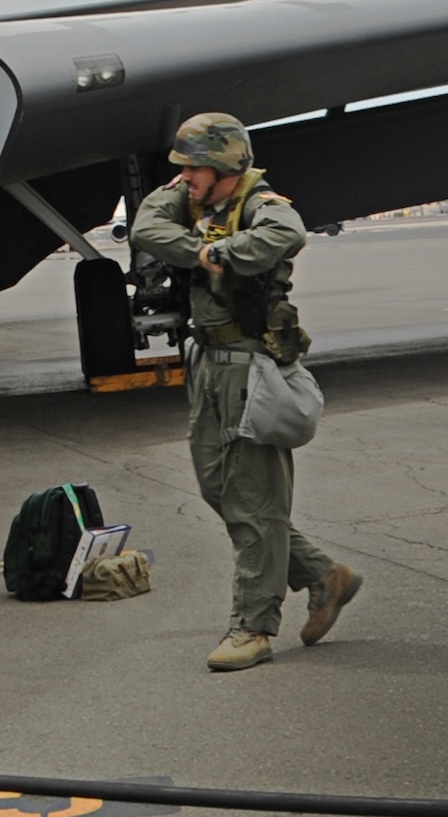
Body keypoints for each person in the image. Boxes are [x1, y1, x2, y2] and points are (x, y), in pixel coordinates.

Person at [129, 112, 362, 671]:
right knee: (219, 487)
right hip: (208, 362)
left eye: (193, 168)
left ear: (224, 166)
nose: (184, 177)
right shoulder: (196, 204)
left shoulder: (262, 205)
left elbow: (287, 234)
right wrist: (197, 238)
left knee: (254, 500)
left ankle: (253, 627)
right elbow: (145, 228)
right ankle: (322, 574)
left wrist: (220, 252)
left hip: (248, 366)